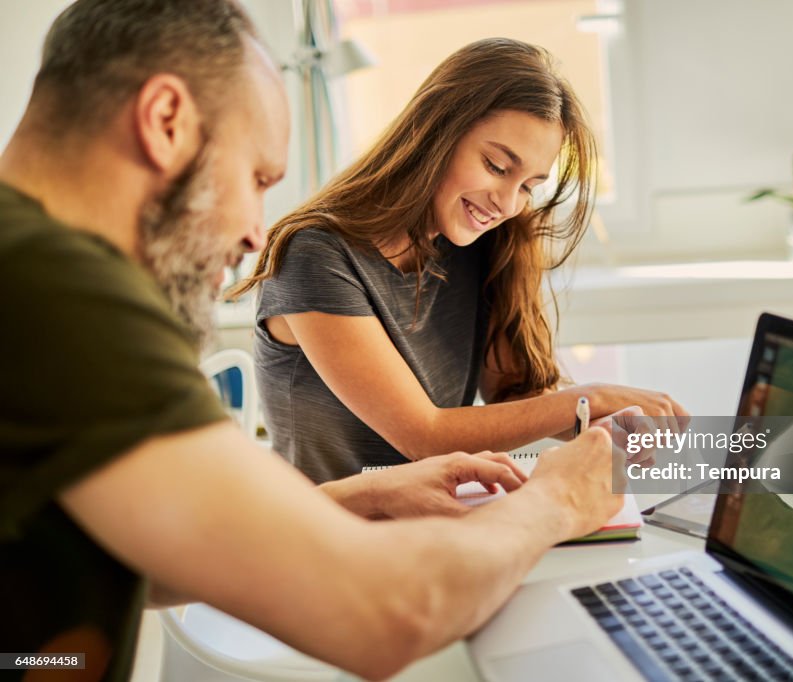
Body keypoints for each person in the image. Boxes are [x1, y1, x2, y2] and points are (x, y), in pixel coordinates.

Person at [0, 2, 623, 680]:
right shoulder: (54, 293)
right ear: (165, 120)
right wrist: (556, 501)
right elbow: (387, 616)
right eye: (257, 178)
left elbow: (142, 562)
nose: (252, 234)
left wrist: (367, 495)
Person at [231, 37, 688, 481]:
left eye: (529, 185)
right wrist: (592, 397)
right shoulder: (315, 255)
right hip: (331, 537)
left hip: (440, 519)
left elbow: (518, 398)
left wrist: (600, 427)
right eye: (496, 166)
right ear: (437, 134)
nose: (508, 203)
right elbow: (425, 436)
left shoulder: (479, 245)